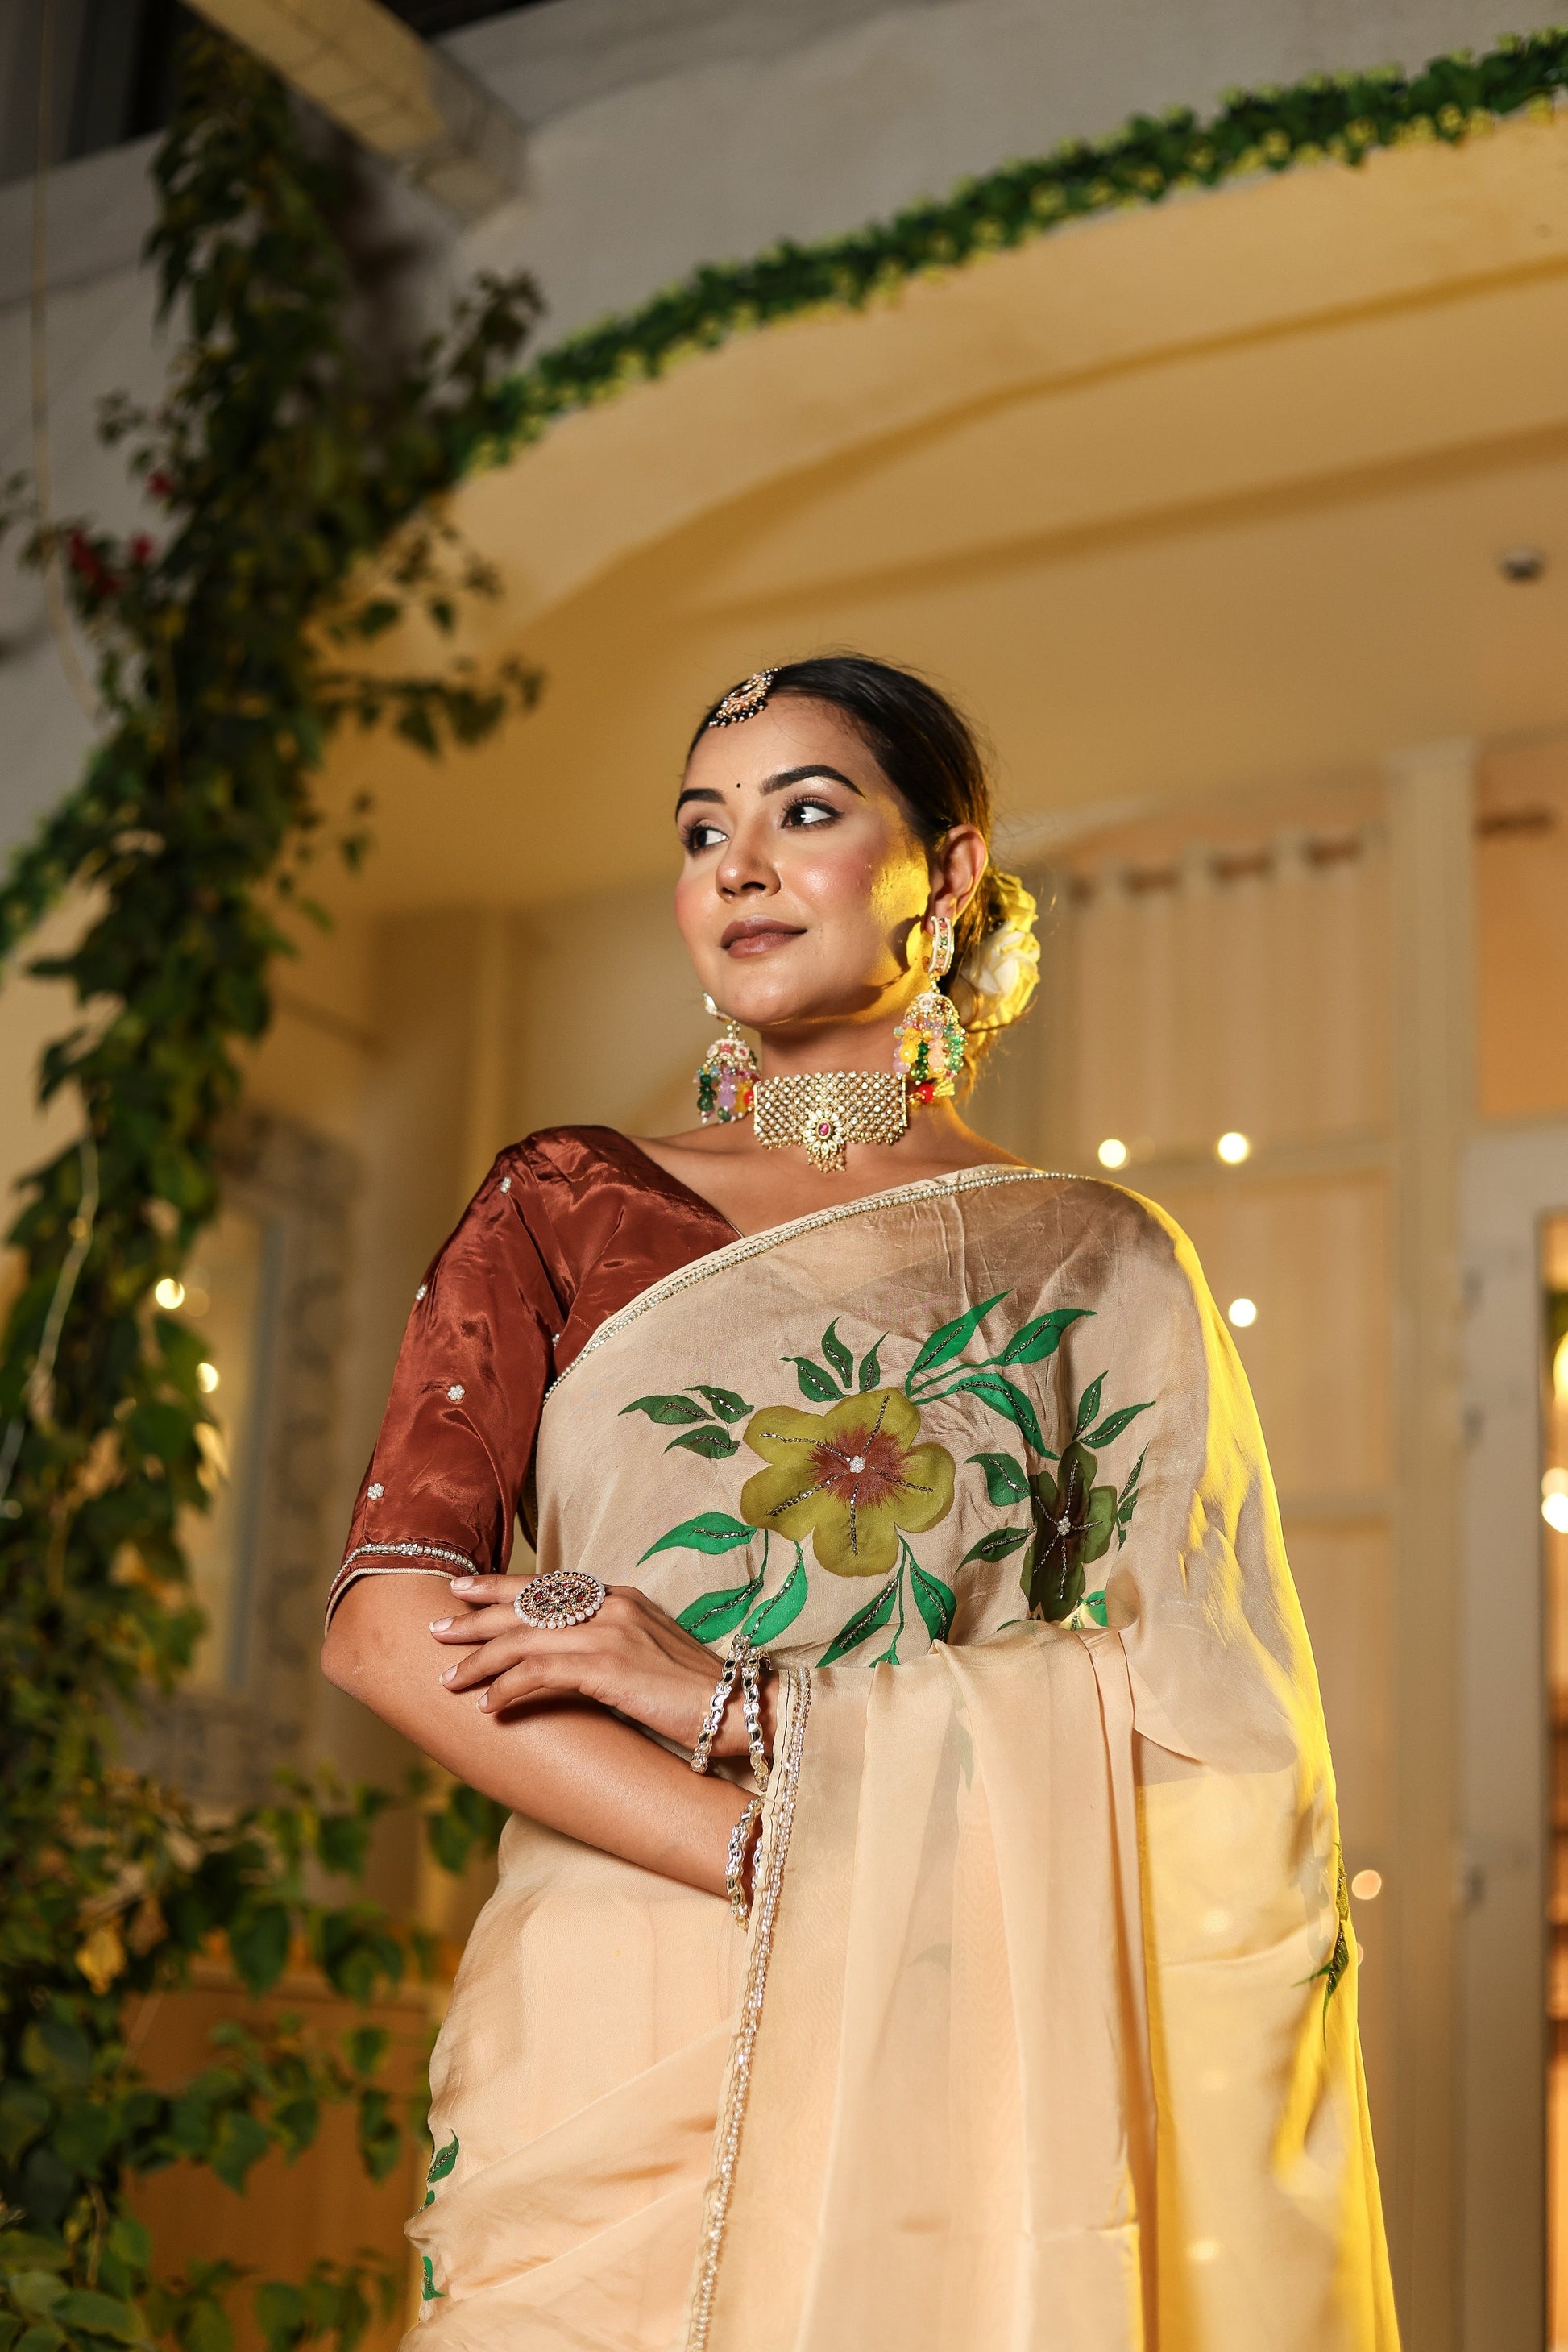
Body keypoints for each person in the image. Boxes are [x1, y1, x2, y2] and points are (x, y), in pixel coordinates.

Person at [321, 655, 1396, 2351]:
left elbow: (1205, 1707)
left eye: (802, 811)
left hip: (949, 2001)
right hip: (615, 1996)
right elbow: (387, 1625)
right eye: (700, 830)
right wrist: (762, 1843)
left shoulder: (1091, 1256)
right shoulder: (564, 1203)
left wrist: (740, 1702)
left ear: (947, 872)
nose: (733, 867)